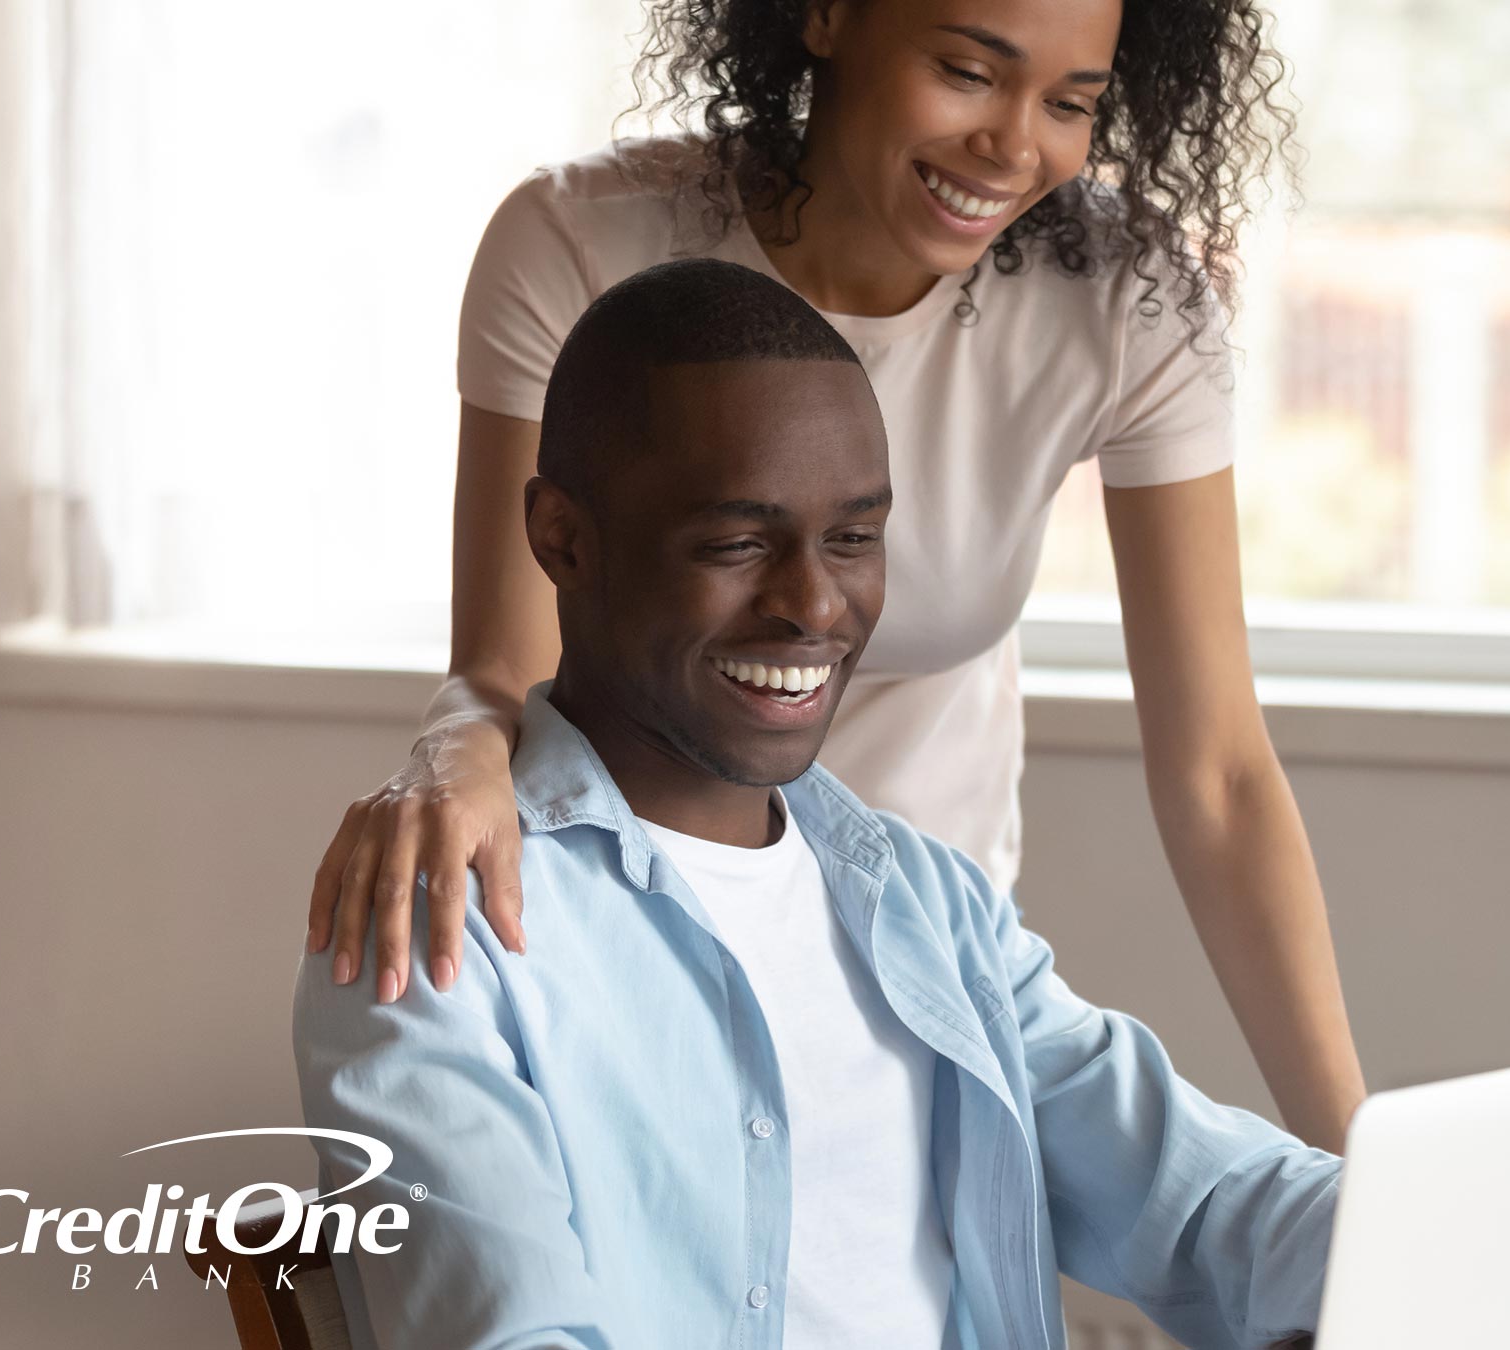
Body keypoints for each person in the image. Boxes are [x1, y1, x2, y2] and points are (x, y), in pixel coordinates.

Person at [301, 0, 1370, 1153]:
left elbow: (1218, 776)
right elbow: (511, 668)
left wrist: (1365, 1166)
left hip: (923, 971)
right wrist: (448, 748)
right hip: (618, 954)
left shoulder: (1124, 301)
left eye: (1072, 103)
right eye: (968, 71)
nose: (1015, 146)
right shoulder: (581, 242)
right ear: (827, 14)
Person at [293, 258, 1340, 1350]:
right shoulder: (437, 932)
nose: (814, 605)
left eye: (853, 538)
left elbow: (1211, 1200)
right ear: (563, 538)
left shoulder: (930, 906)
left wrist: (1428, 1223)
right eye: (737, 544)